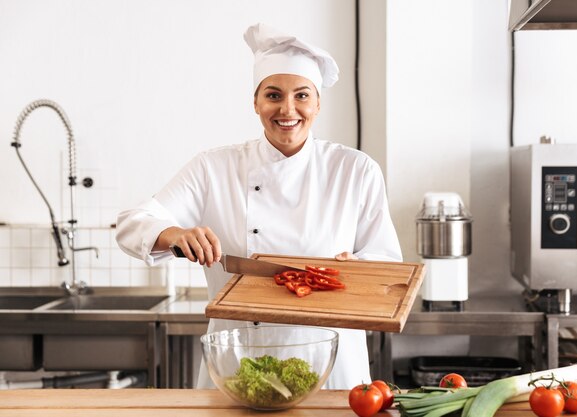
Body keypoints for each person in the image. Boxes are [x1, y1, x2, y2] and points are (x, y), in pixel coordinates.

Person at [116, 22, 402, 389]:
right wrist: (175, 234)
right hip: (240, 360)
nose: (288, 109)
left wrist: (355, 272)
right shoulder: (213, 168)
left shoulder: (355, 169)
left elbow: (387, 268)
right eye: (273, 95)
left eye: (302, 95)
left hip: (330, 364)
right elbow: (131, 224)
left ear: (317, 103)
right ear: (255, 102)